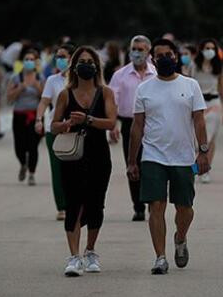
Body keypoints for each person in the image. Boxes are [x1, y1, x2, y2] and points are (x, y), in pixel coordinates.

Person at [127, 38, 209, 275]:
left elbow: (199, 120)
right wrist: (132, 160)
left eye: (168, 55)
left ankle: (180, 237)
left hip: (183, 158)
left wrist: (202, 152)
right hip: (153, 156)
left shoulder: (191, 85)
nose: (164, 59)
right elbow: (137, 126)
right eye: (159, 56)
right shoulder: (144, 89)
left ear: (176, 57)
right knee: (156, 206)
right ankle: (160, 257)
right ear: (153, 59)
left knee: (185, 208)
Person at [51, 46, 117, 277]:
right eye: (82, 61)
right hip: (73, 156)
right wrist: (68, 122)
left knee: (96, 203)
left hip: (99, 154)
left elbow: (111, 123)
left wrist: (88, 119)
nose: (86, 65)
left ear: (97, 66)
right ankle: (73, 256)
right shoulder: (65, 94)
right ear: (74, 67)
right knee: (73, 205)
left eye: (90, 61)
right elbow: (54, 125)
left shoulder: (105, 92)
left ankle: (90, 251)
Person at [108, 35, 156, 221]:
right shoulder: (120, 75)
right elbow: (113, 101)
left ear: (148, 52)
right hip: (129, 123)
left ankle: (153, 202)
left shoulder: (156, 73)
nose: (136, 53)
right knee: (133, 163)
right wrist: (113, 125)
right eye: (134, 49)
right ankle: (138, 206)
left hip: (152, 123)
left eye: (140, 49)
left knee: (152, 165)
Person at [36, 43, 75, 221]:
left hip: (75, 130)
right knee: (57, 169)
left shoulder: (80, 79)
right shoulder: (52, 80)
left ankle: (77, 204)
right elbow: (44, 102)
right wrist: (39, 119)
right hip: (55, 129)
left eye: (63, 56)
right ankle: (62, 206)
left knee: (76, 169)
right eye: (57, 56)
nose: (60, 60)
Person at [187, 39, 223, 184]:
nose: (209, 50)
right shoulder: (194, 65)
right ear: (201, 49)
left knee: (209, 139)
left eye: (212, 48)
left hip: (214, 104)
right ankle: (196, 168)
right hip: (197, 104)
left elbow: (222, 88)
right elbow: (188, 84)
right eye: (207, 47)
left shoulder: (218, 67)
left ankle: (205, 170)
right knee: (196, 140)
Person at [7, 48, 45, 186]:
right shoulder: (16, 78)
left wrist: (37, 87)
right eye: (26, 59)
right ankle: (23, 163)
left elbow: (45, 98)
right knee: (19, 145)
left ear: (36, 62)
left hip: (34, 115)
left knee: (33, 145)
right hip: (19, 115)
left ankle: (32, 173)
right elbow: (9, 98)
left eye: (32, 60)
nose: (29, 62)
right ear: (22, 62)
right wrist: (19, 88)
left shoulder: (40, 78)